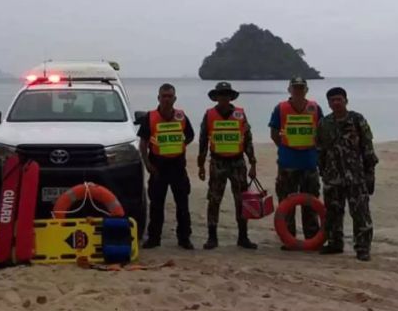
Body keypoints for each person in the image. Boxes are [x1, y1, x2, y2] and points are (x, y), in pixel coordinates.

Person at [317, 87, 378, 261]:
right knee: (333, 212)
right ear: (328, 103)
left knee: (360, 213)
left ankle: (363, 248)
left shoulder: (357, 120)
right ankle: (335, 243)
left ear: (346, 101)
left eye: (339, 99)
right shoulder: (324, 123)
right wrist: (322, 171)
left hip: (355, 176)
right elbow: (320, 149)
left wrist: (370, 173)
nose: (336, 103)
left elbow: (367, 147)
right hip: (332, 176)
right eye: (332, 100)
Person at [197, 82, 258, 250]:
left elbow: (247, 140)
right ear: (215, 97)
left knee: (241, 200)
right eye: (220, 94)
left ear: (231, 97)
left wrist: (253, 163)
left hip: (237, 162)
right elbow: (203, 141)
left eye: (226, 94)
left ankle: (243, 237)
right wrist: (201, 165)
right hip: (217, 162)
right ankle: (212, 237)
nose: (223, 97)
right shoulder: (209, 115)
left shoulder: (240, 114)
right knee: (214, 200)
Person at [268, 76, 325, 248]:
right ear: (289, 90)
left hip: (309, 164)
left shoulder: (315, 108)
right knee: (287, 203)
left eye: (301, 88)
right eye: (295, 87)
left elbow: (322, 133)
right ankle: (289, 238)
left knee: (311, 203)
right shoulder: (280, 108)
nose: (298, 90)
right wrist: (286, 148)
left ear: (306, 90)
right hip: (287, 164)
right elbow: (274, 133)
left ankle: (312, 237)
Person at [138, 83, 196, 249]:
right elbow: (143, 143)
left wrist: (180, 146)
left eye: (170, 96)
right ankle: (154, 238)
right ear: (158, 98)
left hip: (178, 167)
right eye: (164, 96)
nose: (167, 99)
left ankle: (184, 238)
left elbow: (190, 136)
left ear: (175, 98)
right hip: (158, 168)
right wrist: (147, 164)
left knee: (182, 205)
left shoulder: (181, 116)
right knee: (156, 205)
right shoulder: (150, 117)